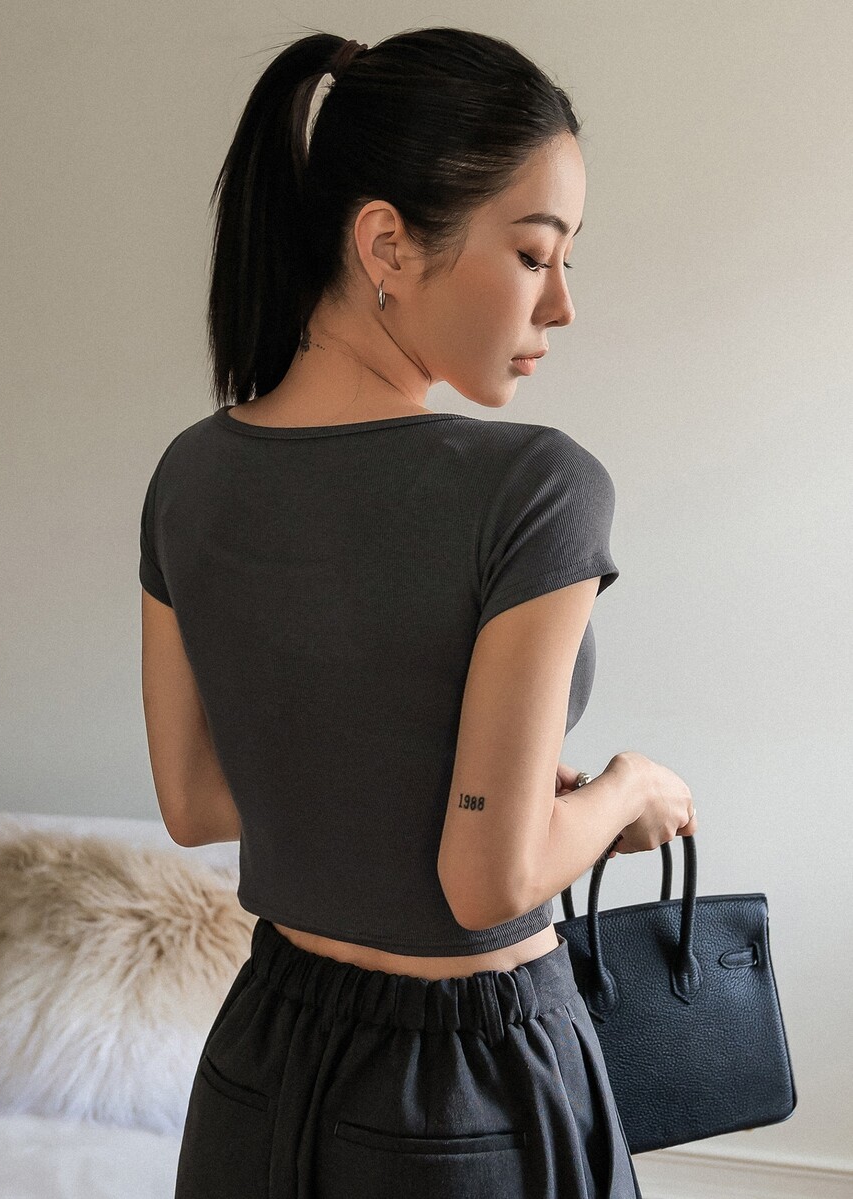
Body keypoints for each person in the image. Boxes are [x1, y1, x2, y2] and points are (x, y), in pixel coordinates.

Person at [139, 26, 697, 1198]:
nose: (561, 304)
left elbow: (193, 800)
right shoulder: (537, 487)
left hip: (260, 1059)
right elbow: (489, 881)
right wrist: (623, 793)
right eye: (535, 252)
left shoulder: (188, 474)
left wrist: (441, 779)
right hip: (466, 1088)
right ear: (387, 241)